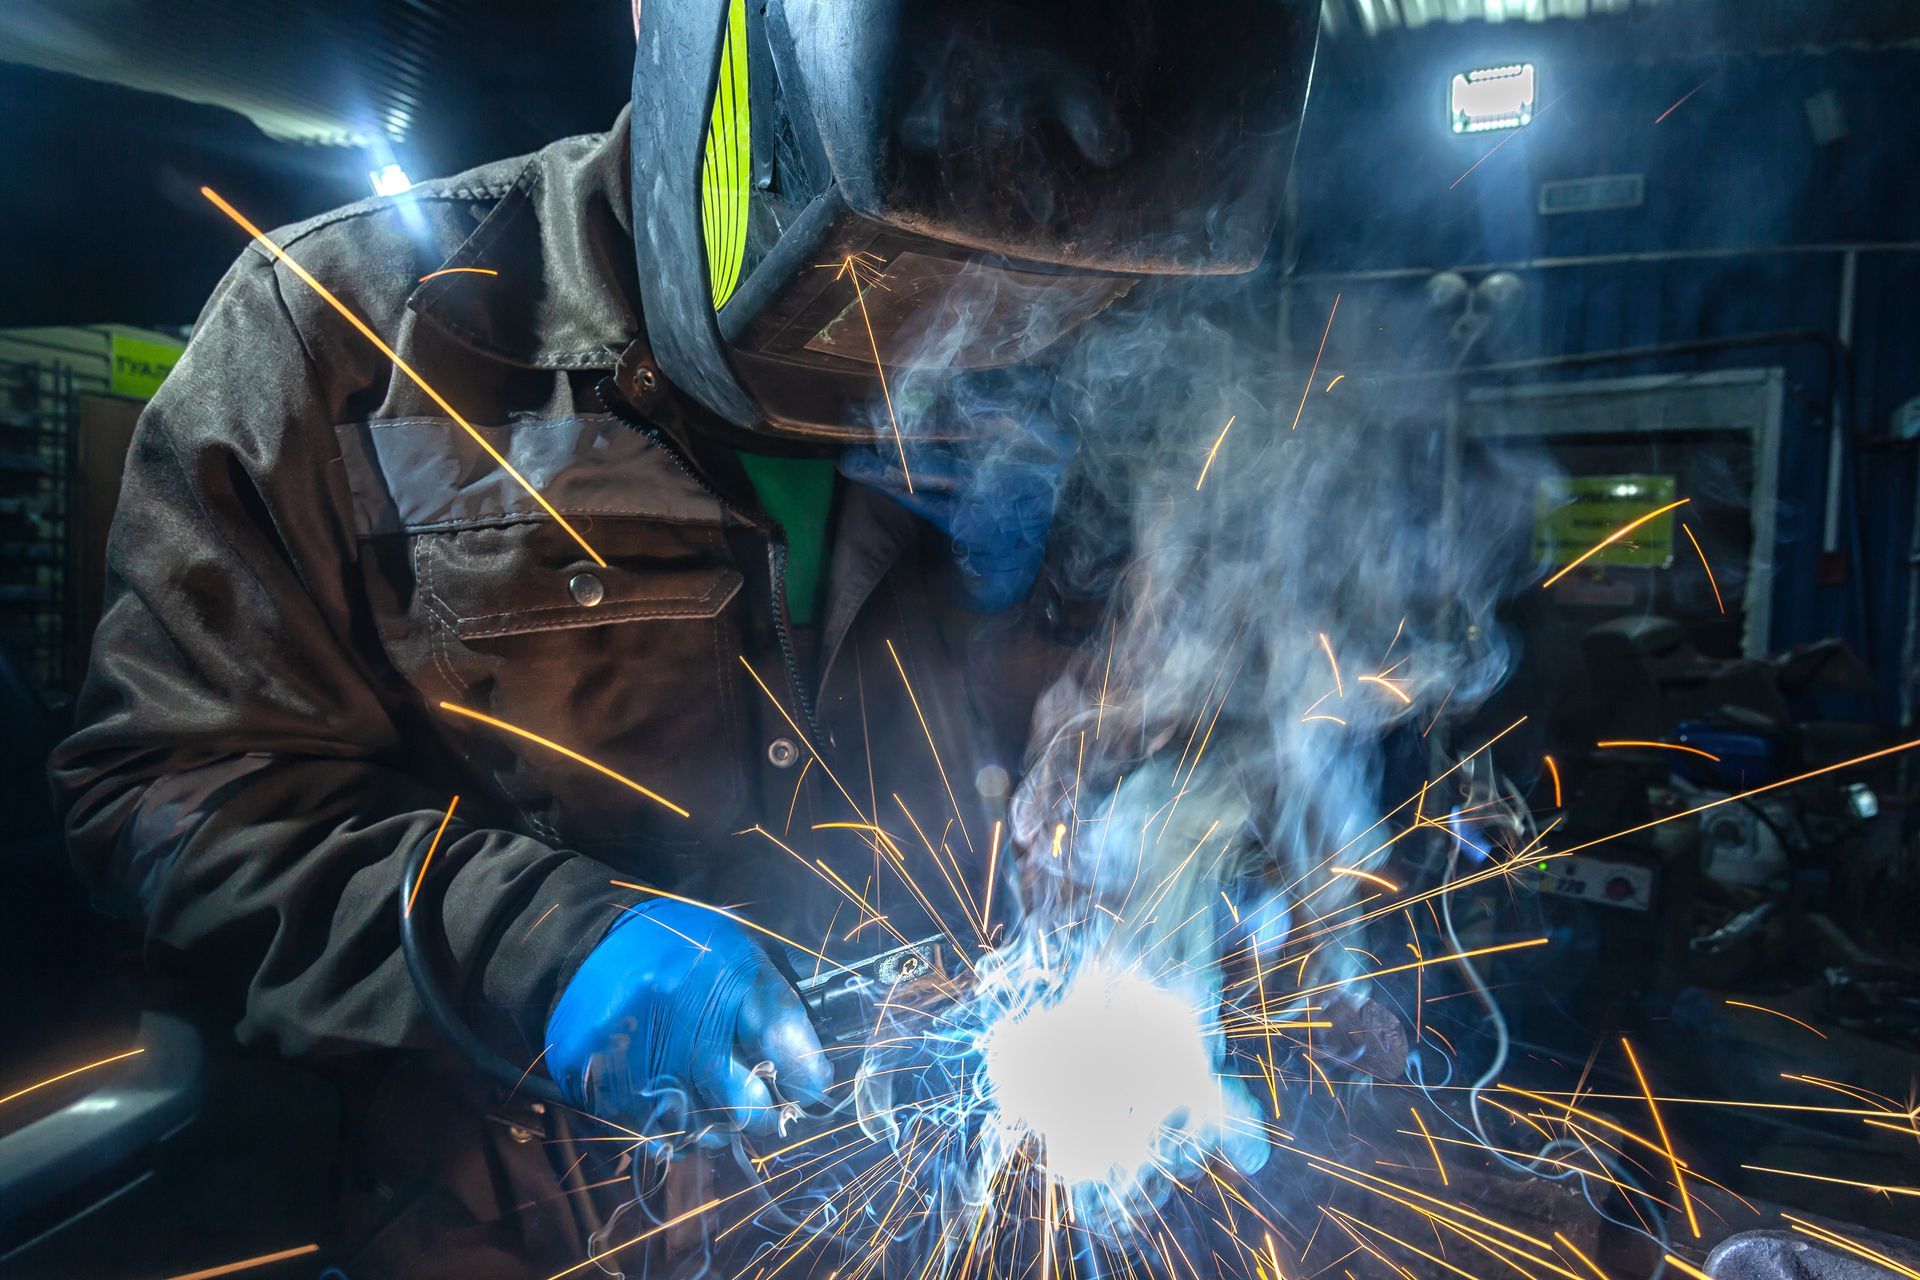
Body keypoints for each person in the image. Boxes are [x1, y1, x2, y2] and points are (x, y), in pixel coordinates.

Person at [52, 0, 1319, 1272]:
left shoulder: (1086, 373)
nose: (968, 336)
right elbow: (168, 794)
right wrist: (541, 946)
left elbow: (1184, 700)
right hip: (518, 1237)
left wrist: (1170, 830)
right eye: (901, 271)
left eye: (1044, 296)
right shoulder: (343, 341)